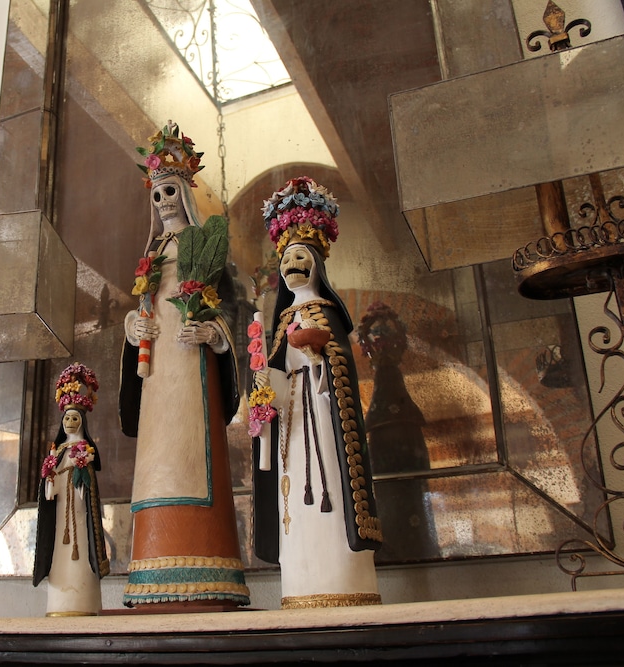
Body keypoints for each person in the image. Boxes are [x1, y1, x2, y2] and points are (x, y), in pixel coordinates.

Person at [119, 121, 249, 608]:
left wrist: (214, 333)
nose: (163, 202)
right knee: (158, 457)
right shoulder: (151, 252)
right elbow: (141, 306)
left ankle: (206, 560)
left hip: (193, 370)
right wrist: (132, 325)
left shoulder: (205, 245)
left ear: (186, 191)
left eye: (170, 191)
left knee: (195, 454)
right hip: (157, 378)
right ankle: (153, 563)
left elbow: (233, 309)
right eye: (156, 195)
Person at [250, 177, 383, 609]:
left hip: (324, 420)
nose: (293, 264)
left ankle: (342, 582)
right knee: (293, 496)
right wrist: (265, 387)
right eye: (287, 258)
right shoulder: (280, 321)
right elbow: (275, 373)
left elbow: (340, 370)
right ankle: (302, 582)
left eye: (301, 257)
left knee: (330, 486)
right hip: (291, 427)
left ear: (317, 265)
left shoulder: (328, 314)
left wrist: (318, 362)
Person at [33, 362, 110, 616]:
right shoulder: (58, 451)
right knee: (61, 553)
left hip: (79, 510)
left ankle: (84, 602)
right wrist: (50, 483)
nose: (69, 422)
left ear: (82, 421)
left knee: (82, 548)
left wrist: (81, 479)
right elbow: (51, 484)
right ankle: (60, 603)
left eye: (74, 418)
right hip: (60, 514)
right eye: (67, 418)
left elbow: (88, 486)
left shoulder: (85, 450)